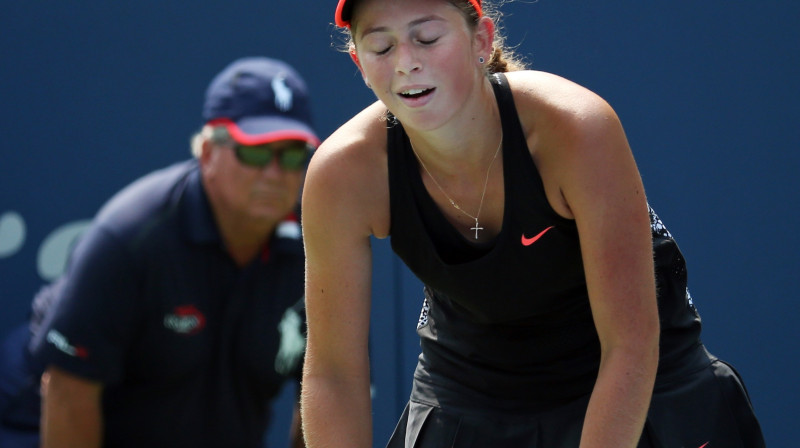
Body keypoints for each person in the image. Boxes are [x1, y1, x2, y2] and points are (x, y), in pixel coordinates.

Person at [299, 1, 766, 447]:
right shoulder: (342, 175)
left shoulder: (575, 128)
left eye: (427, 37)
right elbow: (333, 374)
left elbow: (631, 346)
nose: (406, 63)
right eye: (382, 48)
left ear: (481, 38)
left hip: (645, 387)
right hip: (469, 394)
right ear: (360, 64)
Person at [16, 56, 318, 448]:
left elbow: (329, 389)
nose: (276, 173)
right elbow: (67, 392)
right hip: (40, 425)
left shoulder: (320, 249)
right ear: (208, 152)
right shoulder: (131, 236)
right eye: (256, 153)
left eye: (292, 154)